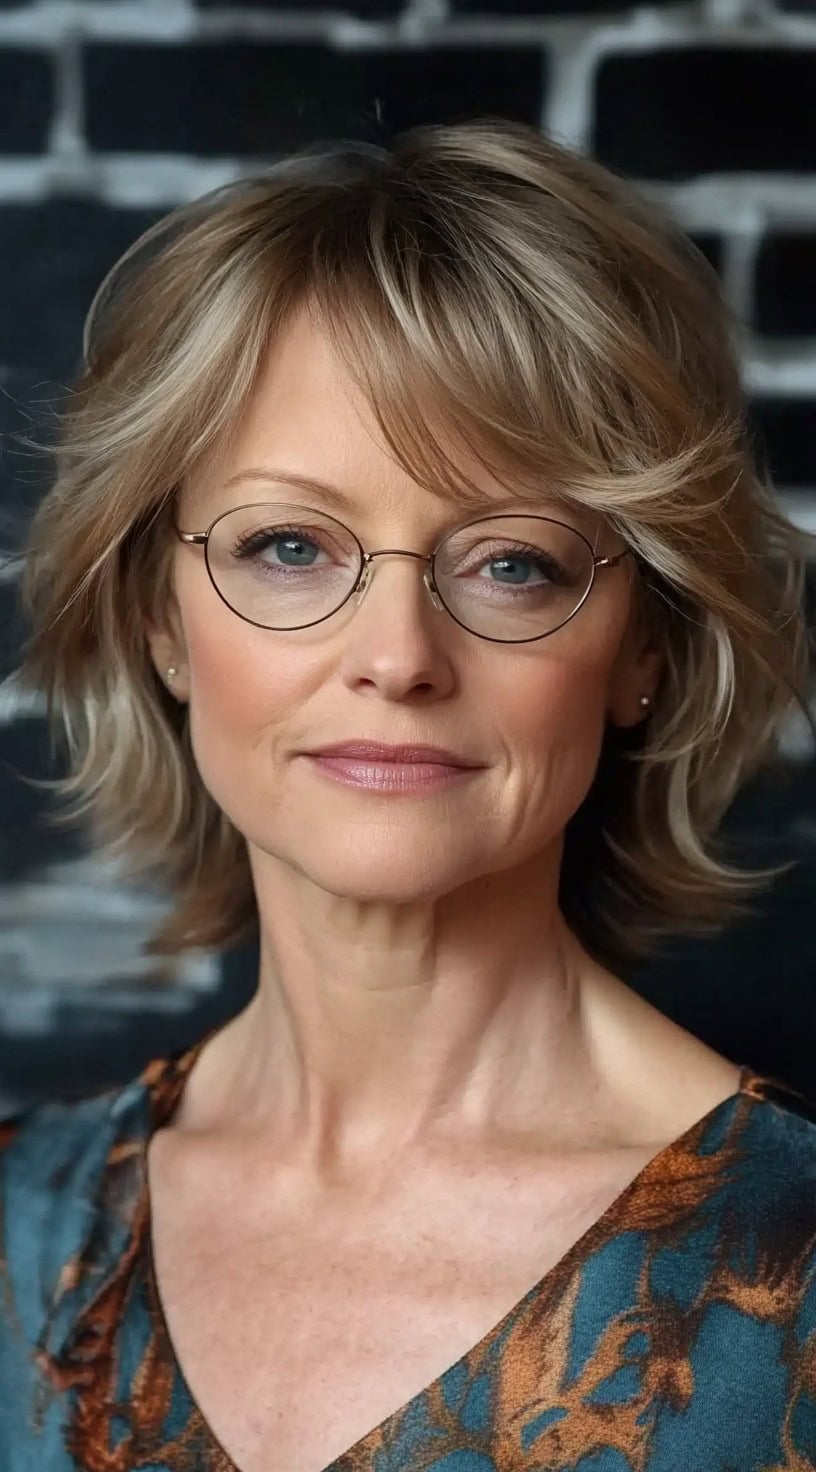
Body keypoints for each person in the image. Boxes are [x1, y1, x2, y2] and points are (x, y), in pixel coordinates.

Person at [1, 115, 816, 1472]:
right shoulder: (19, 1230)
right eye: (288, 546)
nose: (396, 658)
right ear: (159, 616)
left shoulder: (789, 1275)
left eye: (513, 564)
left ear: (647, 650)